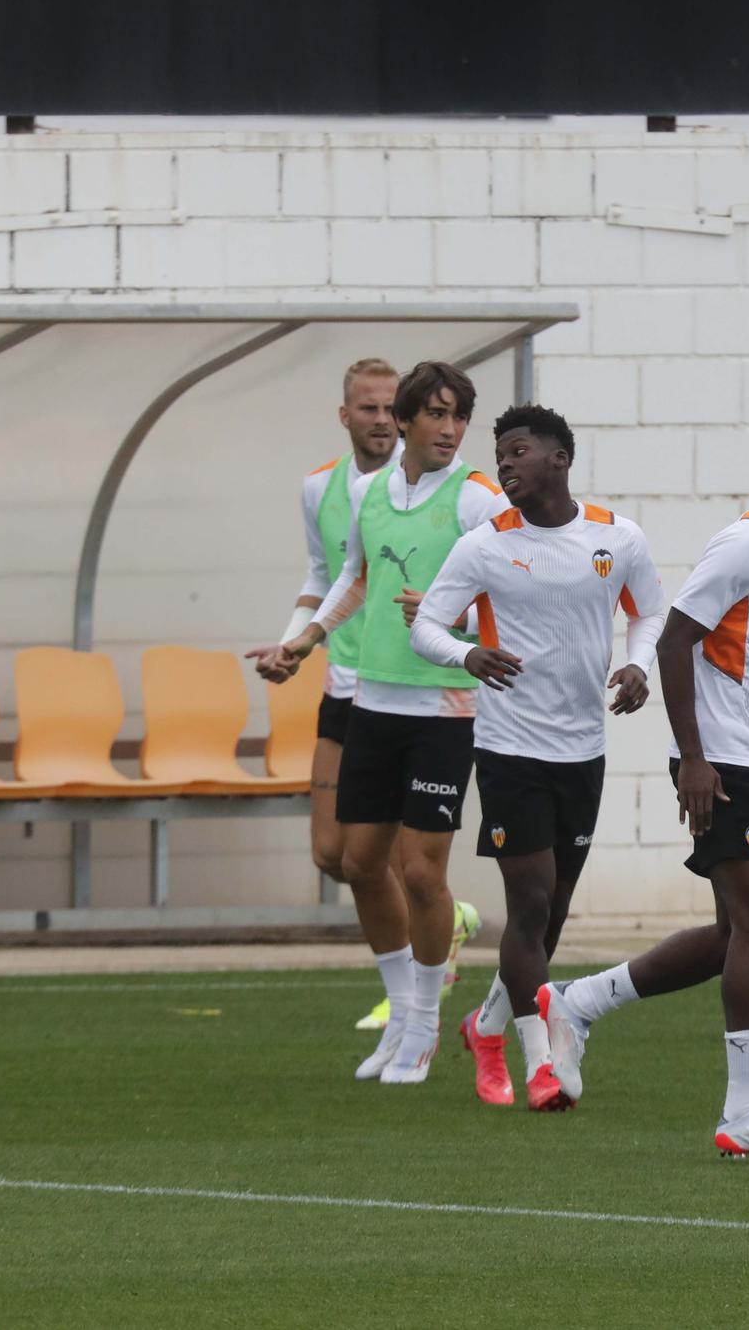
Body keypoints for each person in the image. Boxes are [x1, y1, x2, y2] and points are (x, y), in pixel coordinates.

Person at [541, 416, 749, 1163]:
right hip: (720, 760)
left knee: (735, 934)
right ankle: (745, 1112)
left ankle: (578, 1002)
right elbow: (676, 636)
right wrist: (692, 756)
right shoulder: (747, 542)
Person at [409, 404, 666, 1110]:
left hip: (583, 749)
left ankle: (485, 1026)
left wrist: (640, 664)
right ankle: (542, 1063)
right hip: (508, 747)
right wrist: (468, 652)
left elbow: (650, 611)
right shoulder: (485, 545)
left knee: (550, 916)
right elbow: (427, 624)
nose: (507, 463)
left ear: (559, 457)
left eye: (519, 450)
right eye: (501, 453)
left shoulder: (618, 537)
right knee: (527, 905)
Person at [274, 361, 509, 1085]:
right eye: (434, 414)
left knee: (420, 869)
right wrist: (306, 638)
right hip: (373, 697)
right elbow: (355, 575)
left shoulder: (477, 499)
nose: (449, 428)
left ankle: (423, 1028)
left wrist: (457, 618)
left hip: (445, 704)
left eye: (458, 415)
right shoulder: (368, 490)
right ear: (403, 422)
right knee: (356, 861)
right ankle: (402, 1010)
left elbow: (516, 584)